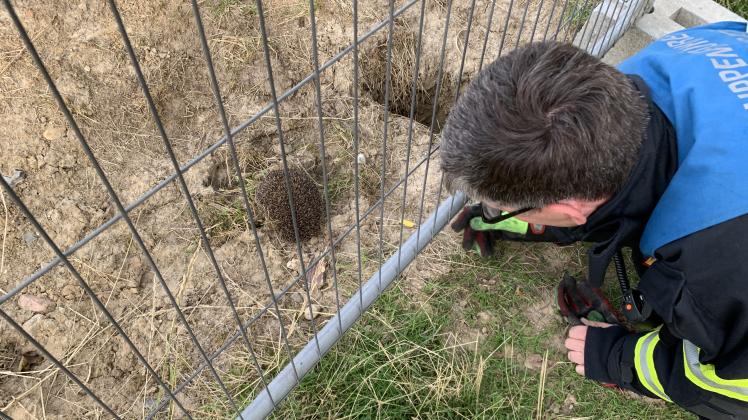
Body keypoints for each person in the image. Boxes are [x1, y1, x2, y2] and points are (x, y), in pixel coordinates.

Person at [440, 21, 748, 419]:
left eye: (504, 207)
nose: (496, 213)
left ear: (572, 208)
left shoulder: (719, 269)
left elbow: (730, 378)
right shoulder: (662, 61)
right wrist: (541, 222)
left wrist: (621, 358)